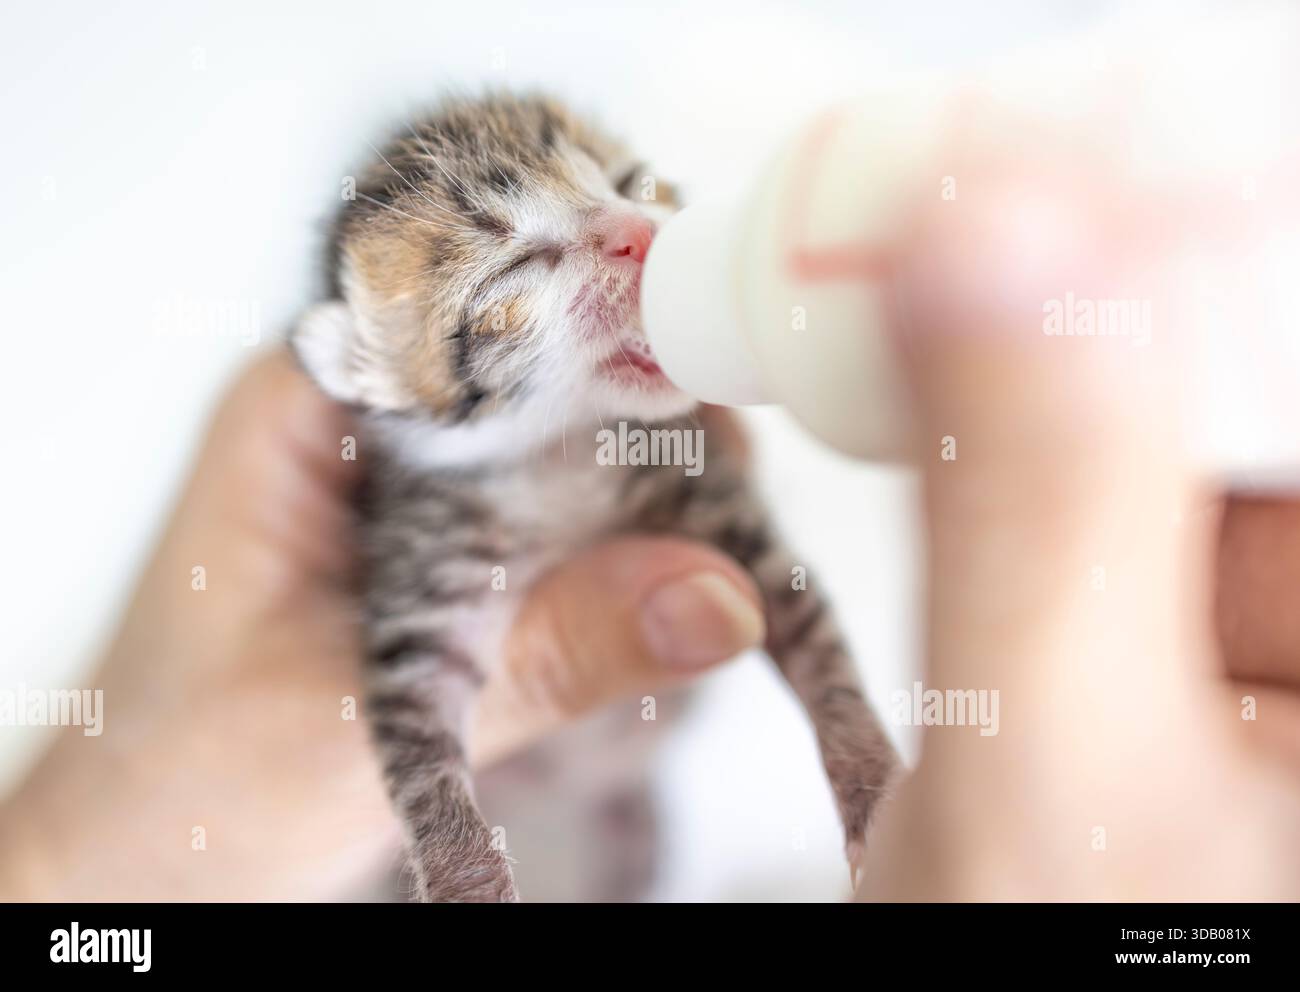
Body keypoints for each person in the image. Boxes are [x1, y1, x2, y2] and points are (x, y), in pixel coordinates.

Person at [2, 168, 1297, 902]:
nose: (630, 240)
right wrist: (67, 874)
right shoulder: (427, 513)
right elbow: (412, 716)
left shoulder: (656, 451)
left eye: (621, 190)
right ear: (384, 382)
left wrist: (861, 776)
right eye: (521, 278)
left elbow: (782, 590)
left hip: (628, 827)